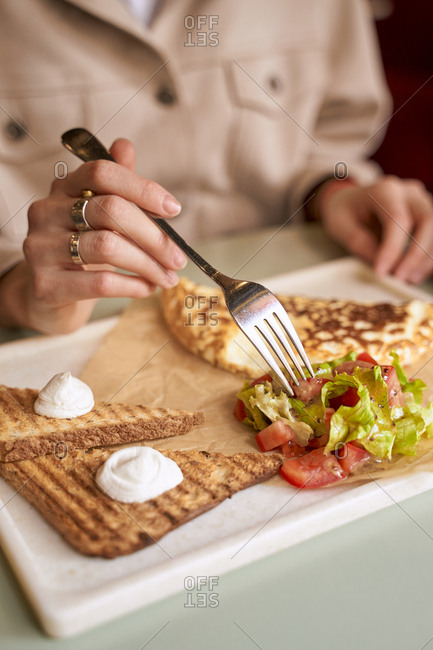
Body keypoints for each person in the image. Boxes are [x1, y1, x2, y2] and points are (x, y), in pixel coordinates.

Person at [0, 0, 432, 335]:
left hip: (317, 280)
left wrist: (334, 190)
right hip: (58, 337)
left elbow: (339, 124)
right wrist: (19, 293)